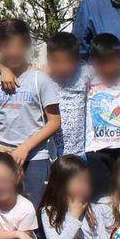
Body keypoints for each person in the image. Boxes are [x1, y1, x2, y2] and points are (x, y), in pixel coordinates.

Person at [0, 18, 62, 205]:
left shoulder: (39, 79)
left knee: (34, 210)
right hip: (1, 154)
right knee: (2, 209)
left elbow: (54, 122)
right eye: (7, 46)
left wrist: (25, 147)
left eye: (18, 45)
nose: (13, 51)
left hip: (35, 157)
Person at [82, 33, 120, 199]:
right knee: (101, 200)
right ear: (93, 61)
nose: (108, 67)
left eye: (112, 62)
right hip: (96, 151)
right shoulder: (86, 80)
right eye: (103, 62)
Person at [45, 31, 92, 159]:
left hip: (80, 153)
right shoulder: (43, 77)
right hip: (53, 156)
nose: (63, 67)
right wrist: (3, 68)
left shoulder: (84, 72)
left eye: (68, 62)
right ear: (49, 59)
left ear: (78, 60)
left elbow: (106, 67)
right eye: (57, 62)